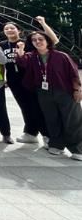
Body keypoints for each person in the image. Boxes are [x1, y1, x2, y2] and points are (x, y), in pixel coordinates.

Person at [17, 32, 82, 161]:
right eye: (34, 40)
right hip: (43, 92)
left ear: (48, 41)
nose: (37, 42)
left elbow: (73, 73)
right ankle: (56, 145)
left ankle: (77, 149)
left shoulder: (61, 56)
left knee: (72, 120)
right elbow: (22, 61)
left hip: (65, 91)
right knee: (51, 119)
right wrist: (20, 49)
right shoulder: (32, 56)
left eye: (40, 39)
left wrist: (77, 89)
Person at [0, 17, 58, 144]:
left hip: (30, 79)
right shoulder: (2, 45)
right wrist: (3, 78)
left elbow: (53, 40)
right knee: (25, 107)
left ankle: (47, 135)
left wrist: (43, 23)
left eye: (12, 28)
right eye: (6, 29)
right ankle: (30, 133)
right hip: (13, 81)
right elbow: (1, 63)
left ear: (19, 31)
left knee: (36, 107)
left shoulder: (29, 42)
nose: (9, 30)